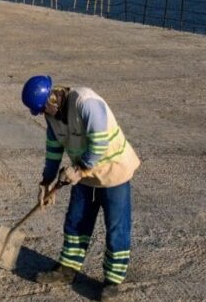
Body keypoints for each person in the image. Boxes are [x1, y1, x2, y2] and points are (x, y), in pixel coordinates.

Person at [21, 75, 140, 301]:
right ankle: (67, 269)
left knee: (116, 228)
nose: (44, 114)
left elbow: (99, 143)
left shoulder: (86, 103)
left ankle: (113, 281)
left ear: (52, 99)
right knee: (75, 221)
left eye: (43, 109)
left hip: (113, 172)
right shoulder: (51, 116)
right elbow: (53, 150)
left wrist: (78, 170)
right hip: (84, 177)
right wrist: (46, 182)